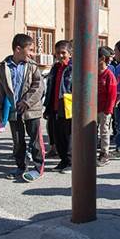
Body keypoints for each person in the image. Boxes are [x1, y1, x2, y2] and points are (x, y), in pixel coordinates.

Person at [0, 34, 45, 180]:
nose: (32, 53)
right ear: (18, 49)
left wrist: (26, 102)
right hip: (13, 112)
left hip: (31, 110)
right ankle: (20, 167)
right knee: (18, 141)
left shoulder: (33, 66)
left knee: (35, 140)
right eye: (30, 50)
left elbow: (38, 86)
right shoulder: (3, 68)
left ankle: (38, 168)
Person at [43, 40, 73, 173]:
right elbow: (50, 87)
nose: (60, 56)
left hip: (67, 106)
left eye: (63, 53)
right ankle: (63, 160)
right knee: (57, 135)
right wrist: (47, 106)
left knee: (68, 136)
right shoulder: (55, 68)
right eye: (58, 53)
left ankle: (71, 162)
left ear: (70, 54)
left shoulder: (74, 68)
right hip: (54, 106)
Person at [96, 46, 117, 167]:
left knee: (104, 131)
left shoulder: (109, 75)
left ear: (102, 58)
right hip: (94, 108)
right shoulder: (93, 72)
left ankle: (104, 154)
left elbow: (112, 95)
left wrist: (108, 111)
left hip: (104, 110)